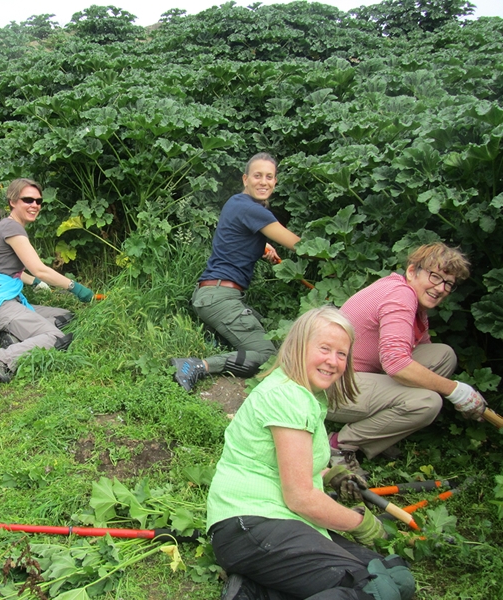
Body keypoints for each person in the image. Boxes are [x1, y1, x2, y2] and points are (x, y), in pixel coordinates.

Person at [207, 306, 415, 600]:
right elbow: (301, 497)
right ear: (299, 347)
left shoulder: (304, 394)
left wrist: (332, 475)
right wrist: (360, 523)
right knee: (377, 591)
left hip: (284, 523)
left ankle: (256, 588)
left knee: (397, 577)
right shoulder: (287, 396)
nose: (333, 361)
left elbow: (290, 463)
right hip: (252, 524)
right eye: (325, 349)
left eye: (341, 354)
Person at [327, 242, 486, 467]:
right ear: (412, 271)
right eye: (435, 276)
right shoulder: (401, 295)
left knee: (443, 356)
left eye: (448, 283)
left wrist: (461, 396)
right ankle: (341, 444)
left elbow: (419, 354)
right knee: (427, 403)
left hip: (359, 376)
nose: (440, 288)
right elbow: (397, 364)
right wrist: (455, 390)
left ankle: (379, 430)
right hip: (329, 384)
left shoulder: (412, 300)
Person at [171, 153, 301, 392]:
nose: (263, 182)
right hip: (220, 298)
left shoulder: (236, 203)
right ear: (245, 179)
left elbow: (235, 237)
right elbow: (299, 245)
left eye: (269, 177)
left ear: (275, 181)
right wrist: (327, 253)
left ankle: (219, 339)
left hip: (210, 294)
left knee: (267, 333)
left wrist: (262, 246)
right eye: (257, 175)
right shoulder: (254, 210)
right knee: (268, 355)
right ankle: (196, 365)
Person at [0, 178, 94, 384]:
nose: (35, 205)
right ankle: (0, 359)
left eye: (38, 201)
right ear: (13, 201)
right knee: (56, 338)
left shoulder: (10, 227)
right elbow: (39, 269)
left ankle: (12, 337)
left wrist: (34, 283)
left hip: (0, 302)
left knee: (66, 317)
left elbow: (7, 270)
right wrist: (76, 288)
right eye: (28, 200)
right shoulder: (12, 228)